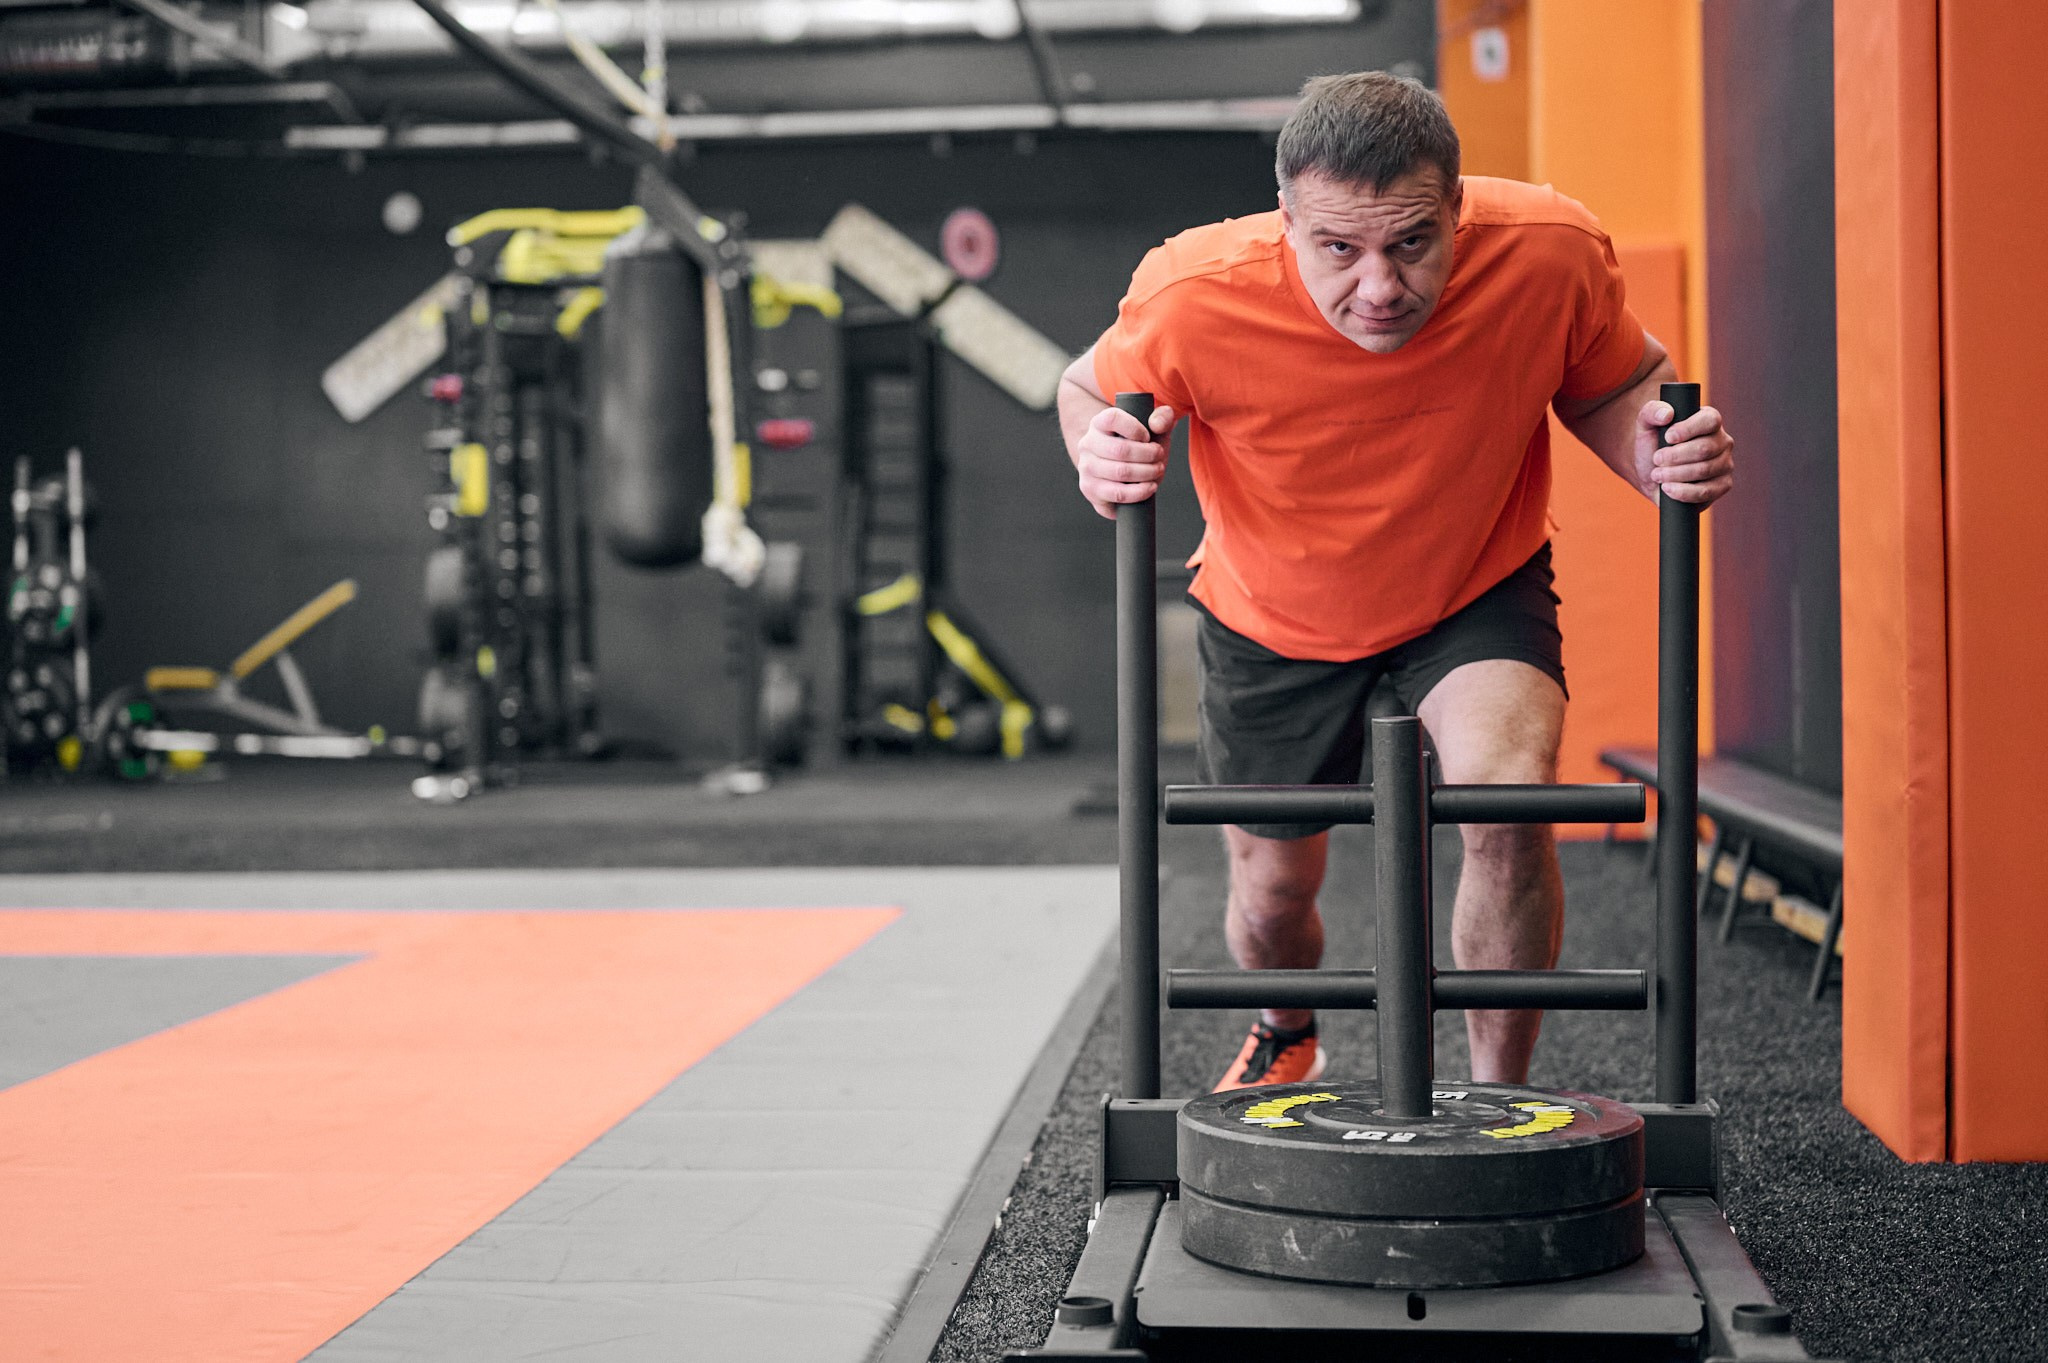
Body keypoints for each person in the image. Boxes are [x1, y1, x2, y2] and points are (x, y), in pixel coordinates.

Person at [1058, 71, 1733, 1093]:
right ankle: (1287, 1029)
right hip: (1272, 611)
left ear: (1456, 207)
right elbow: (1083, 388)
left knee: (1506, 805)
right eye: (1337, 249)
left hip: (1471, 585)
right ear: (1284, 221)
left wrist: (1655, 453)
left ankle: (1496, 1094)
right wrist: (1097, 449)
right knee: (1272, 888)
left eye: (1410, 242)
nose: (1377, 287)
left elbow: (1617, 384)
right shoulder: (1191, 294)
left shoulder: (1548, 256)